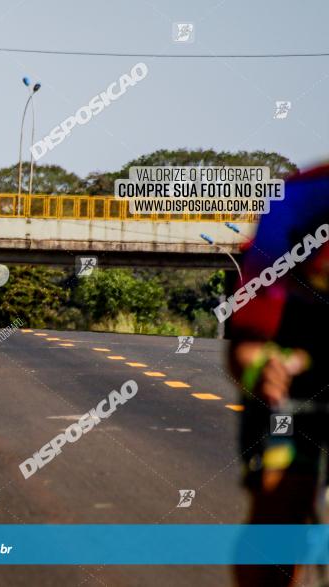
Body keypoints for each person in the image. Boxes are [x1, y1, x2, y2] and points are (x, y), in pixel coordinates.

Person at [229, 163, 329, 587]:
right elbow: (245, 344)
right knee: (280, 505)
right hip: (297, 348)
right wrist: (261, 369)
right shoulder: (297, 202)